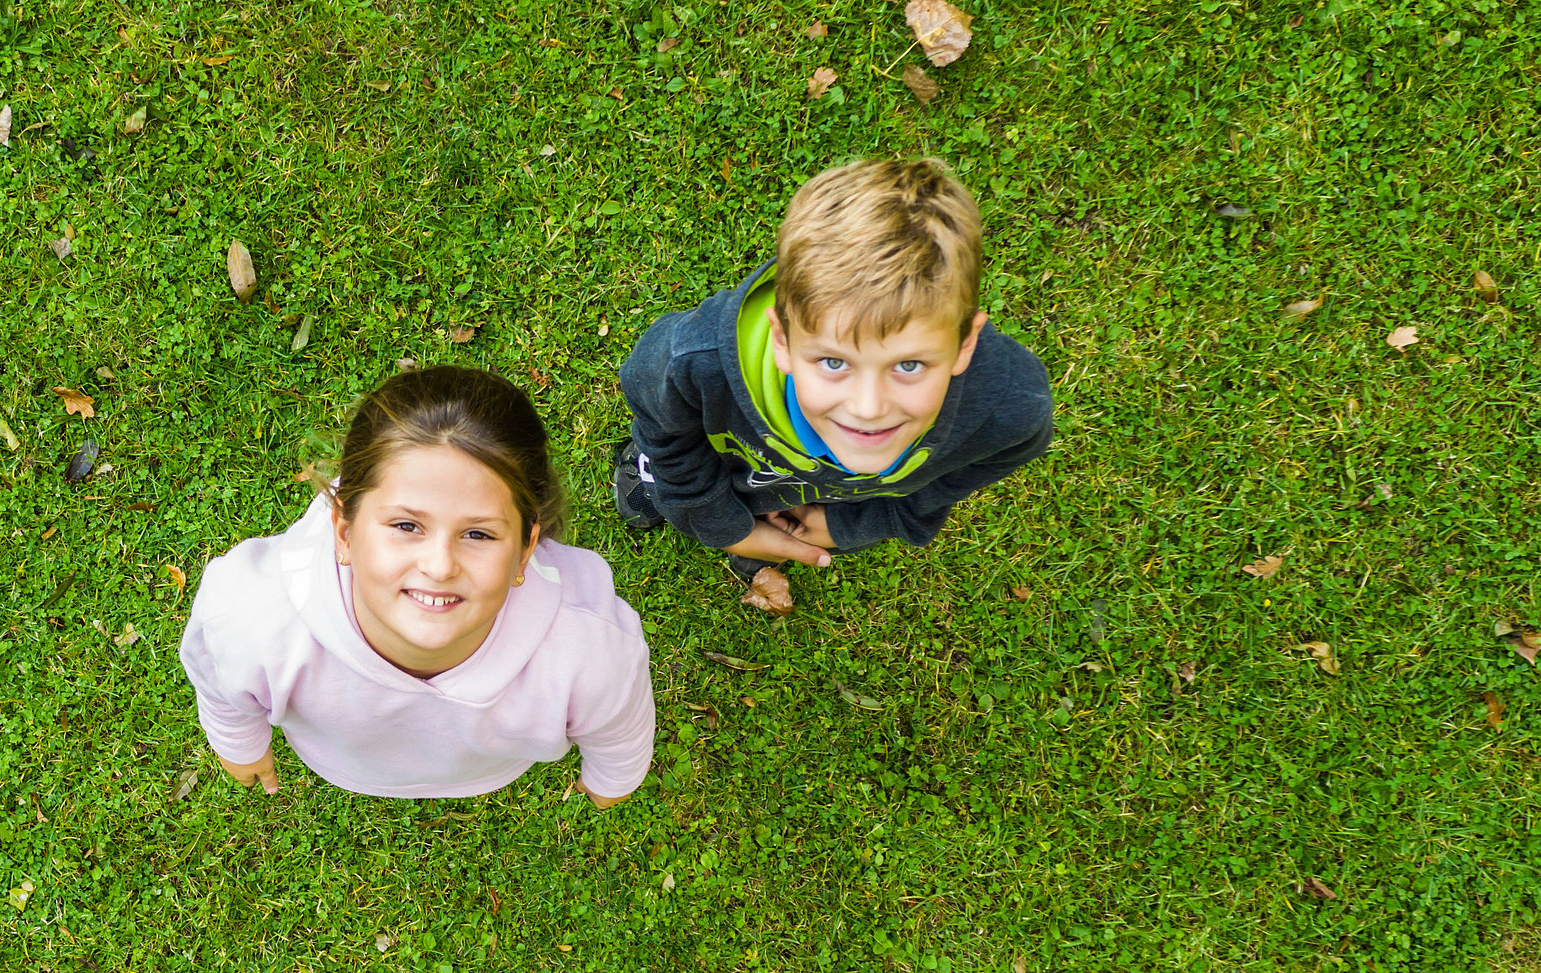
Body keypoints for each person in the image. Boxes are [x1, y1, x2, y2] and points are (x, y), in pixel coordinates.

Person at [180, 366, 655, 804]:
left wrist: (613, 778)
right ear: (344, 532)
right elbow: (219, 682)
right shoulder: (253, 619)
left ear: (526, 549)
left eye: (478, 534)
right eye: (407, 526)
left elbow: (619, 726)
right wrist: (238, 742)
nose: (440, 565)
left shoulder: (591, 651)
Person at [613, 157, 1053, 611]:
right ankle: (659, 487)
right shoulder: (694, 361)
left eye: (908, 366)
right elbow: (664, 428)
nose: (868, 408)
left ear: (965, 345)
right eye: (832, 361)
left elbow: (976, 468)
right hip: (726, 463)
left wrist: (856, 525)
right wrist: (722, 525)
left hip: (829, 502)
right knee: (673, 482)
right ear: (782, 340)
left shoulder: (1010, 405)